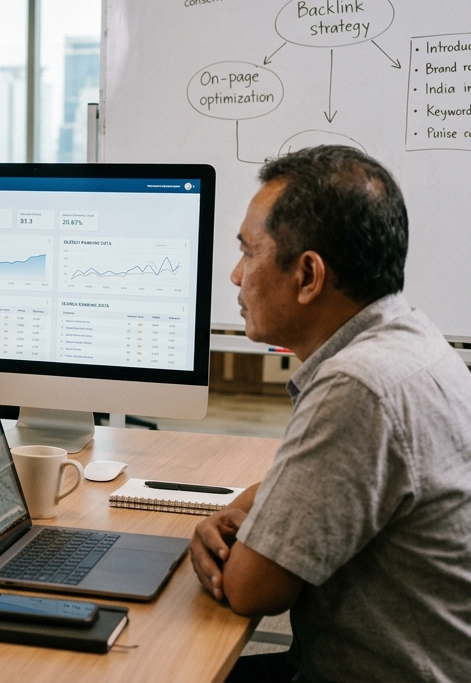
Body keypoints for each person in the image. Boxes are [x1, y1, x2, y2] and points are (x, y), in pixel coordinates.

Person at [186, 146, 471, 683]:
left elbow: (251, 590)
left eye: (249, 253)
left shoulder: (357, 386)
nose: (234, 275)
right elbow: (307, 486)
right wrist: (249, 512)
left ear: (309, 275)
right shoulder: (410, 340)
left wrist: (231, 534)